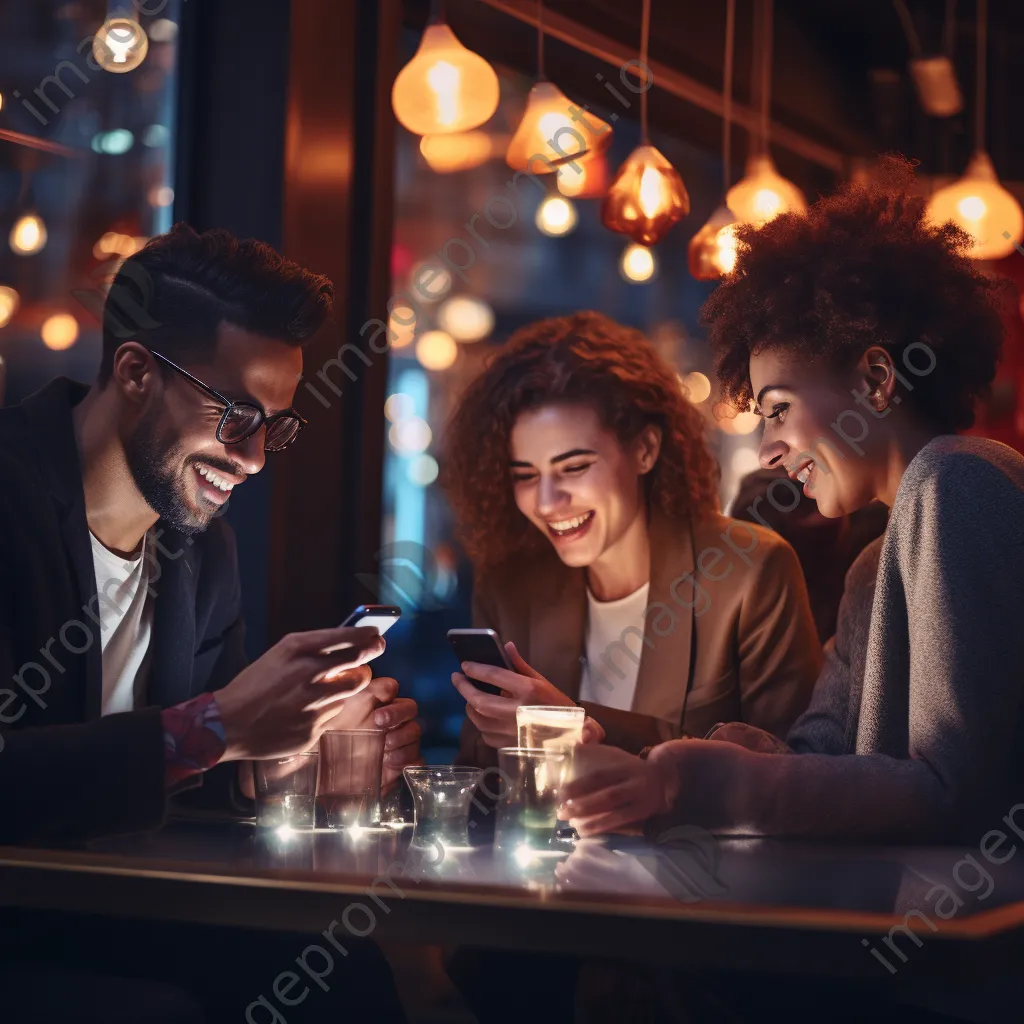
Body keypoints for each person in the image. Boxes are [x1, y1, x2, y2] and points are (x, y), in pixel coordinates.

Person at [0, 224, 417, 1022]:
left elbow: (207, 778)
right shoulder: (10, 494)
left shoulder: (202, 549)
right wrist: (221, 725)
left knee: (346, 975)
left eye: (277, 426)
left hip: (121, 906)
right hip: (19, 923)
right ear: (134, 373)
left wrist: (296, 757)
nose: (257, 458)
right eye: (236, 415)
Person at [560, 158, 1024, 851]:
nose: (769, 450)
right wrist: (675, 760)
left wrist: (699, 783)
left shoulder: (956, 479)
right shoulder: (876, 562)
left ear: (875, 378)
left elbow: (958, 792)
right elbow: (820, 757)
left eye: (778, 410)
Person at [441, 311, 821, 763]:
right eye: (525, 474)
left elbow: (786, 773)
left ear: (645, 450)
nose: (546, 501)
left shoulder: (750, 571)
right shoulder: (510, 586)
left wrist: (575, 729)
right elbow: (480, 780)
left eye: (575, 467)